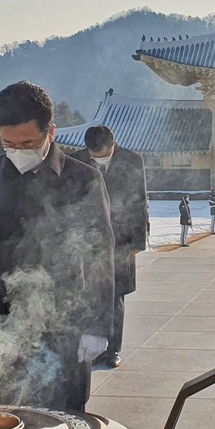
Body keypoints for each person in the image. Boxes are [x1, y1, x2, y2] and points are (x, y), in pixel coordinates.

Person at [0, 81, 114, 411]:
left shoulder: (82, 179)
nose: (18, 151)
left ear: (50, 132)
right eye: (7, 144)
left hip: (64, 319)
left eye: (28, 143)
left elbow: (100, 254)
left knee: (64, 420)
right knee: (1, 415)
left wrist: (97, 326)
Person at [69, 125, 148, 368]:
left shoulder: (132, 161)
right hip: (87, 242)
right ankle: (92, 344)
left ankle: (112, 350)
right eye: (95, 155)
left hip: (121, 241)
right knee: (87, 295)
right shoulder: (76, 161)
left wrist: (137, 242)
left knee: (115, 297)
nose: (99, 159)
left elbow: (140, 200)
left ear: (114, 144)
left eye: (103, 154)